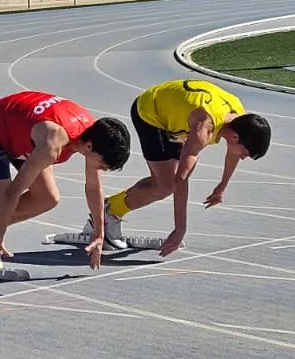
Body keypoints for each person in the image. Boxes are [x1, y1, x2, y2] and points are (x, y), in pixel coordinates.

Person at [0, 91, 130, 272]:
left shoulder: (92, 133)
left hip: (24, 130)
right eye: (103, 165)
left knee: (47, 198)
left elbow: (93, 187)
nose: (102, 170)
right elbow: (12, 194)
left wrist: (99, 234)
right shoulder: (50, 146)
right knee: (0, 206)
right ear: (89, 147)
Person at [104, 79, 272, 256]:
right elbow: (181, 179)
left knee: (166, 179)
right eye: (245, 153)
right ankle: (110, 212)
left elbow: (233, 153)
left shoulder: (237, 116)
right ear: (235, 137)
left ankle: (110, 205)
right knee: (166, 186)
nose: (243, 158)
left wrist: (222, 186)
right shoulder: (203, 129)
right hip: (150, 112)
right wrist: (180, 229)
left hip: (176, 111)